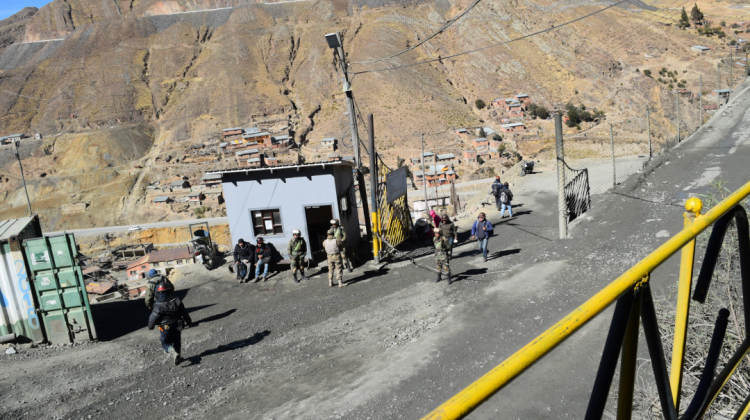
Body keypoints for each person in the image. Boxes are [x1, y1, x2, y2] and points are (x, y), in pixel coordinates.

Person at [148, 282, 192, 366]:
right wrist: (189, 322)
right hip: (178, 325)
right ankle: (178, 356)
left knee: (165, 342)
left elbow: (152, 318)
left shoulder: (158, 305)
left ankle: (174, 354)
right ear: (168, 291)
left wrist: (151, 326)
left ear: (159, 293)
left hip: (165, 327)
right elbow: (184, 312)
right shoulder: (176, 300)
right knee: (177, 341)